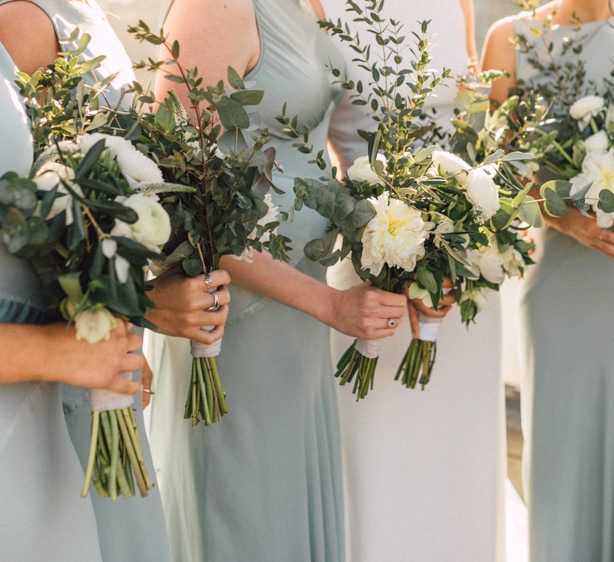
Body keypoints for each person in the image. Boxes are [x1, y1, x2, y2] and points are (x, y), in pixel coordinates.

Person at [145, 1, 409, 560]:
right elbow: (181, 189)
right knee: (245, 516)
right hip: (239, 314)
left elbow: (342, 144)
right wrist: (331, 306)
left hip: (301, 307)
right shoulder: (216, 8)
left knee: (285, 510)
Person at [0, 2, 229, 560]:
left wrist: (136, 304)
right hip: (38, 373)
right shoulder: (23, 25)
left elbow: (68, 213)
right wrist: (136, 309)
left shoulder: (84, 12)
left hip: (89, 353)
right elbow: (32, 237)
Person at [324, 1, 507, 560]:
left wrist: (460, 231)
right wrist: (390, 239)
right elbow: (310, 138)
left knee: (460, 450)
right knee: (379, 452)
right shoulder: (316, 7)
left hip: (461, 265)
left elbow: (472, 133)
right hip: (372, 257)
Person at [483, 2, 614, 560]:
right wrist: (568, 218)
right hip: (561, 281)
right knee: (564, 457)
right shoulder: (510, 38)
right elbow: (492, 171)